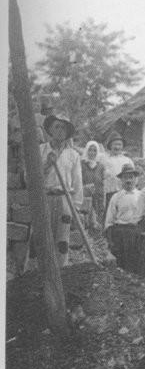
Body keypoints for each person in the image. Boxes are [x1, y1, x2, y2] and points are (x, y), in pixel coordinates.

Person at [39, 113, 83, 267]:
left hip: (65, 200)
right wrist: (47, 165)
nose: (60, 130)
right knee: (40, 238)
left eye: (63, 128)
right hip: (44, 198)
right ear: (50, 129)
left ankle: (61, 274)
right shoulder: (41, 150)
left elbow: (77, 182)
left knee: (62, 241)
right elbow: (29, 177)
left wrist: (76, 207)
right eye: (56, 126)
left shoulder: (73, 155)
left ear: (67, 133)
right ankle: (35, 276)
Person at [104, 163, 142, 272]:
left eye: (131, 177)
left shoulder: (142, 196)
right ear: (121, 180)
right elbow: (109, 220)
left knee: (137, 262)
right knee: (121, 263)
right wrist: (110, 238)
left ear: (136, 179)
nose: (128, 181)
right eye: (125, 177)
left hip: (137, 233)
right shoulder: (116, 197)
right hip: (120, 233)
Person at [103, 131, 134, 217]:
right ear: (110, 146)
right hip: (110, 193)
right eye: (115, 144)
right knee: (110, 215)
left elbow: (133, 177)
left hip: (125, 192)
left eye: (119, 145)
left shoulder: (127, 160)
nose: (117, 147)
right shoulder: (105, 160)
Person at [81, 140, 105, 230]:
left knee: (97, 223)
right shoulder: (82, 164)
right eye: (90, 150)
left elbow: (102, 183)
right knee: (86, 221)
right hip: (85, 197)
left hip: (98, 197)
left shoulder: (100, 166)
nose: (92, 153)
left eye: (95, 150)